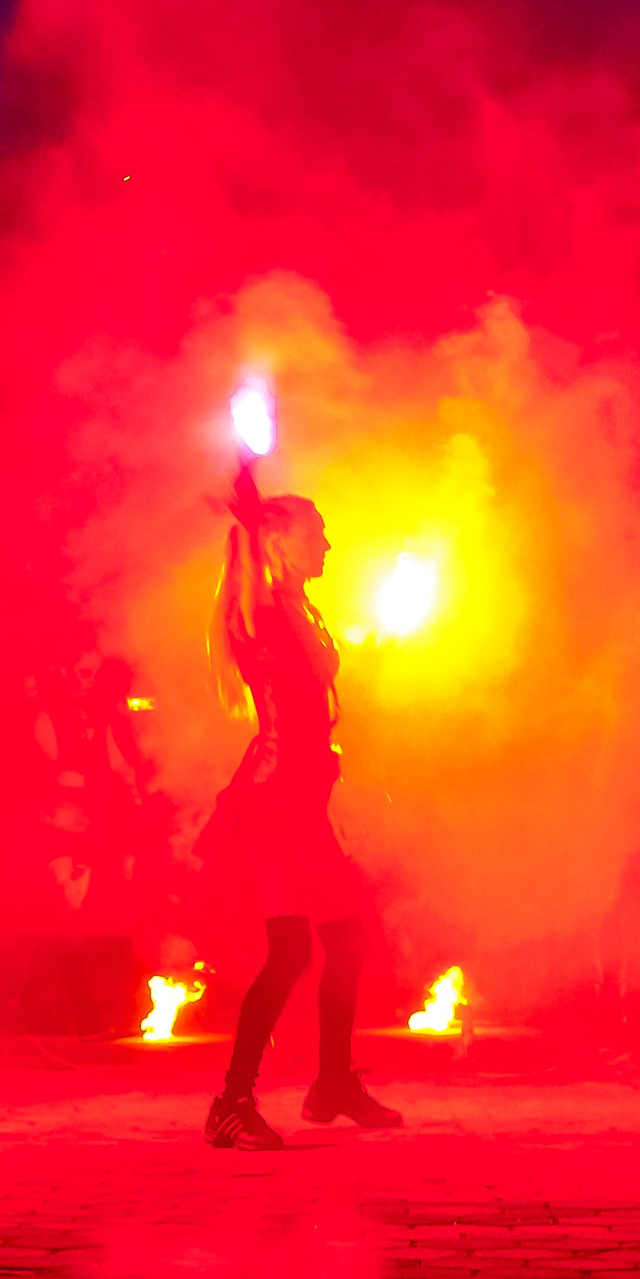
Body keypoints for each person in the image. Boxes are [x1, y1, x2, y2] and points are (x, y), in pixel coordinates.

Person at [196, 483, 402, 1150]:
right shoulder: (255, 607)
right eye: (317, 531)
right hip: (275, 803)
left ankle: (334, 1082)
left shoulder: (292, 606)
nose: (329, 543)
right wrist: (252, 495)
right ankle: (231, 1100)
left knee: (347, 942)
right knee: (288, 952)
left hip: (302, 800)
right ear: (280, 542)